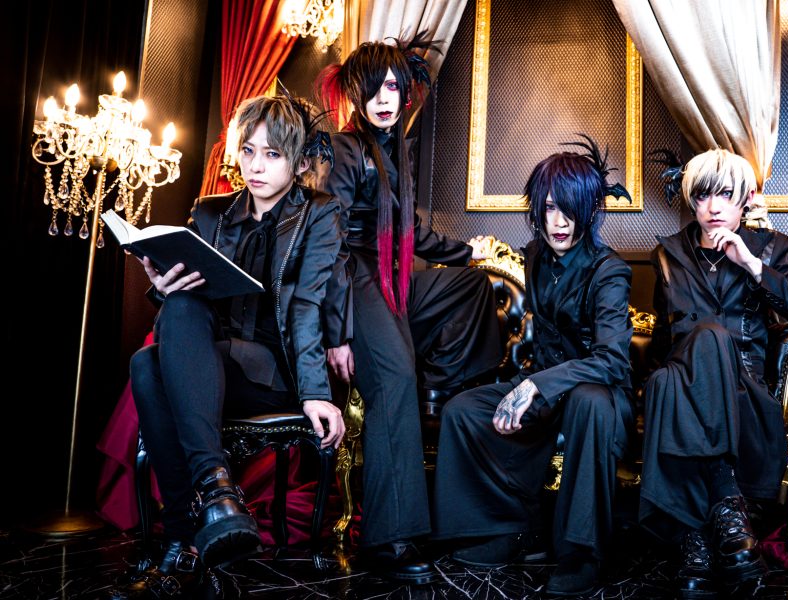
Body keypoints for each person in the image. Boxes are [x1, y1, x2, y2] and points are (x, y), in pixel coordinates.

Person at [113, 94, 345, 598]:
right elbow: (185, 316)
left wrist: (315, 393)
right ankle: (211, 501)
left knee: (148, 365)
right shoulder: (210, 213)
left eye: (272, 154)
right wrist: (163, 286)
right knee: (156, 347)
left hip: (273, 370)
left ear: (299, 163)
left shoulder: (320, 213)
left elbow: (307, 305)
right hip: (209, 364)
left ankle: (186, 528)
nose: (255, 166)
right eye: (248, 151)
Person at [316, 35, 503, 583]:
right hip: (355, 278)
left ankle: (445, 382)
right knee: (394, 381)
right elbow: (328, 244)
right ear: (357, 94)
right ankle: (388, 539)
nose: (384, 98)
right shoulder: (345, 148)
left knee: (471, 288)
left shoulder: (396, 149)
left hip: (392, 278)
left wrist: (469, 252)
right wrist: (337, 333)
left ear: (405, 93)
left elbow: (411, 232)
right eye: (374, 89)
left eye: (393, 87)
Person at [432, 137, 634, 597]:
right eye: (548, 208)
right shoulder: (536, 255)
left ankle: (582, 553)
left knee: (588, 403)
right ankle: (507, 530)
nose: (558, 222)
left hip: (600, 396)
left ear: (590, 210)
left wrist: (536, 387)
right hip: (544, 387)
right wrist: (525, 387)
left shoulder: (609, 271)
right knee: (462, 411)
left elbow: (611, 361)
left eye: (569, 209)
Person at [640, 149, 788, 599]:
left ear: (745, 200)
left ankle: (694, 544)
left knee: (712, 338)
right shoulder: (669, 254)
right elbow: (662, 338)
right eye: (703, 196)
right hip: (683, 386)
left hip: (744, 392)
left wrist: (751, 264)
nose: (713, 207)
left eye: (724, 195)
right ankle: (725, 514)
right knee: (666, 378)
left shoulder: (770, 247)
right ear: (691, 201)